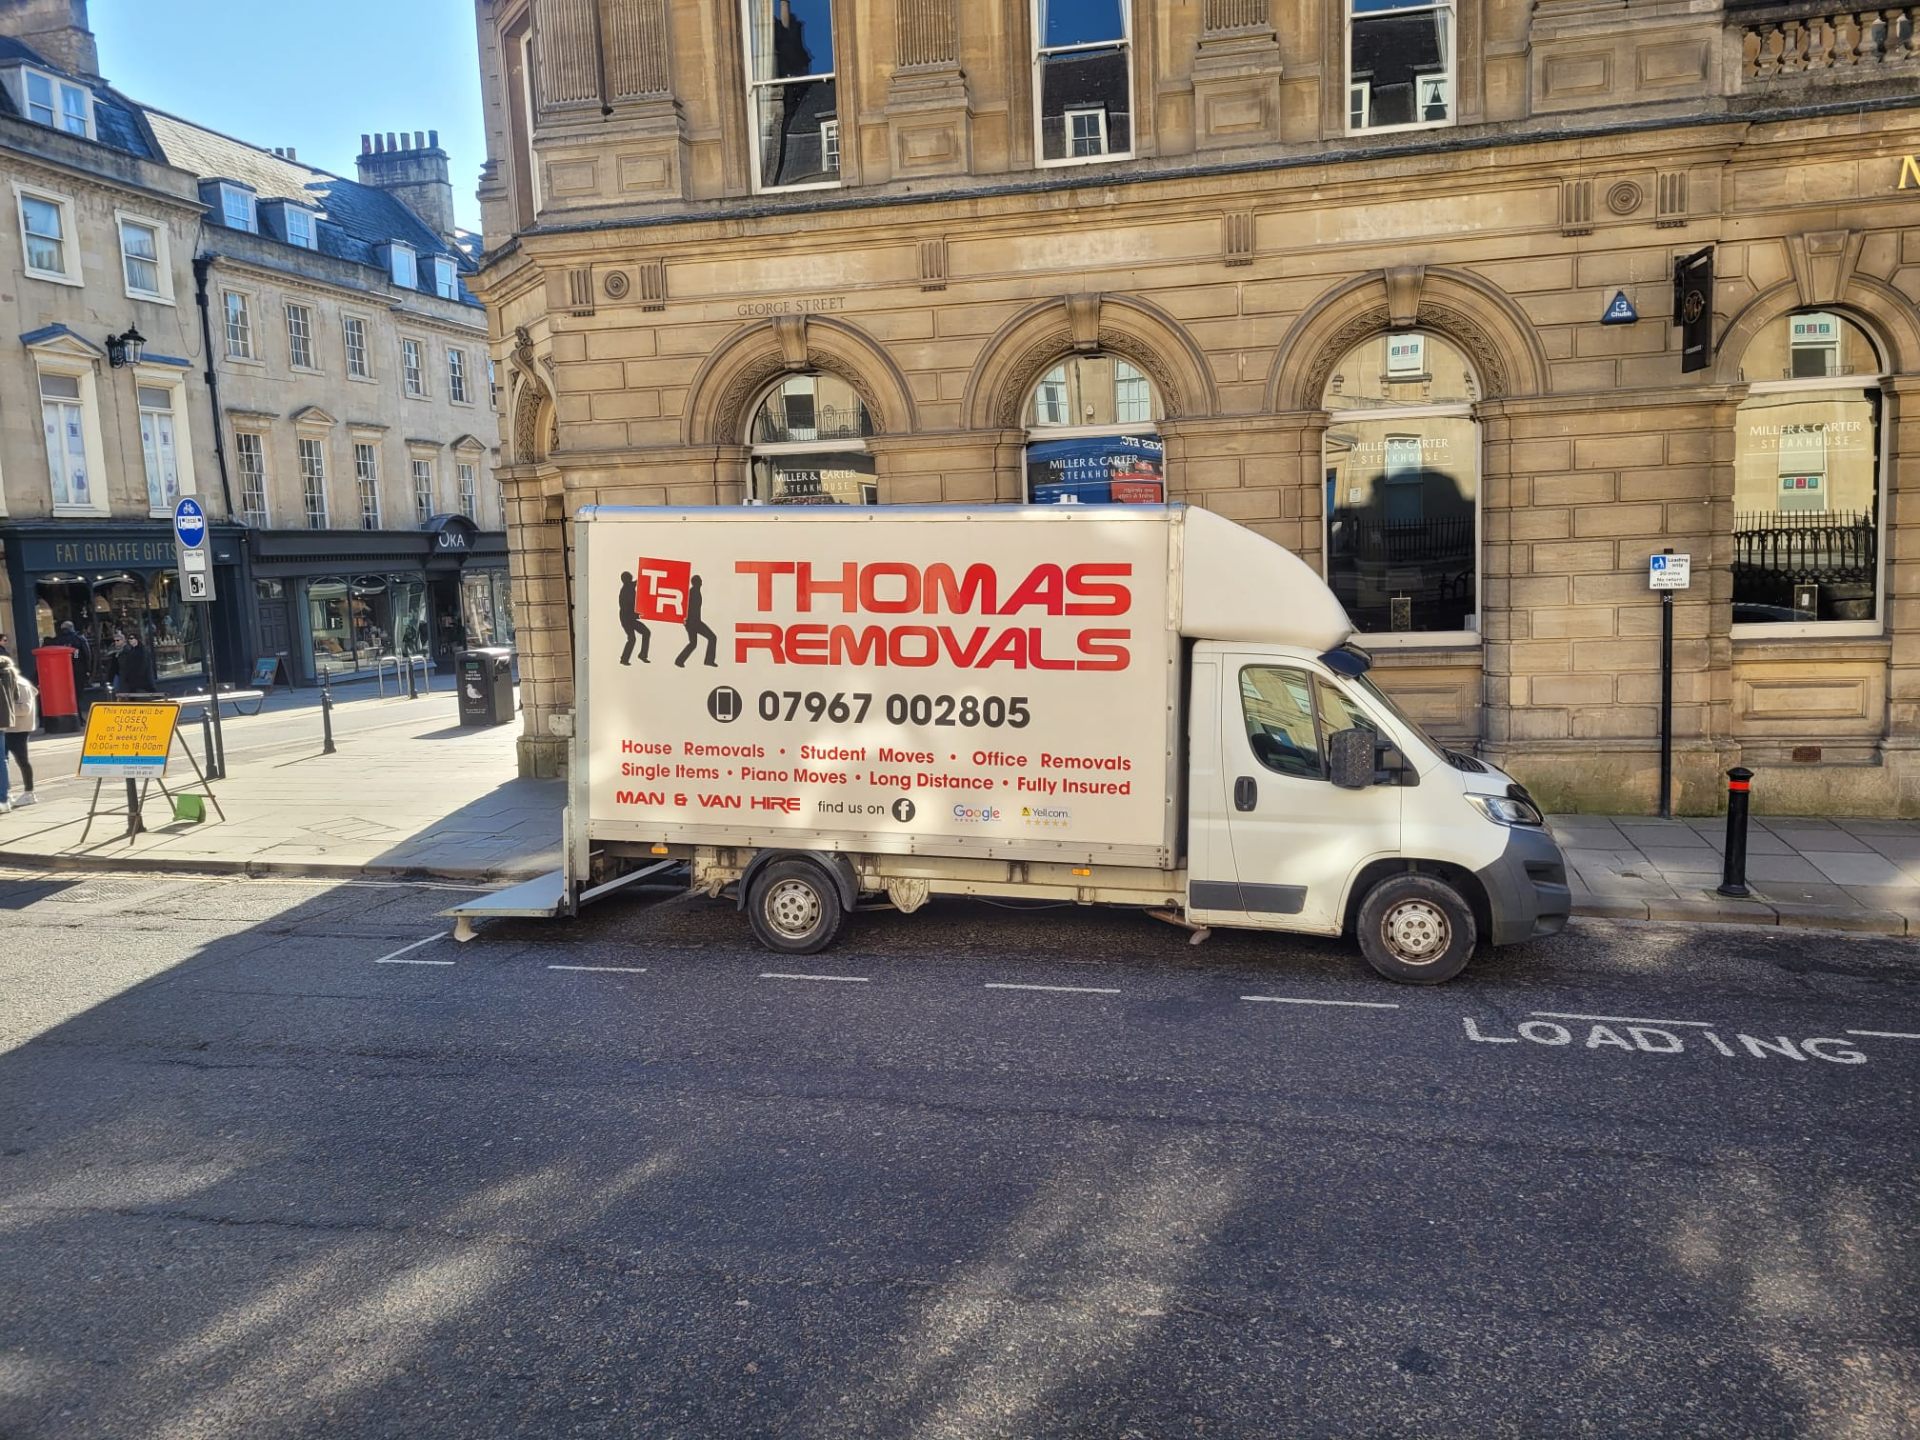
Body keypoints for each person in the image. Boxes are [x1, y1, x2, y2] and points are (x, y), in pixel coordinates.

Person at [0, 652, 35, 809]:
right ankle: (6, 791)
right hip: (9, 728)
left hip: (19, 729)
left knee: (22, 760)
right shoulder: (9, 682)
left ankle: (29, 792)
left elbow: (25, 709)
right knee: (5, 760)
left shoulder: (20, 684)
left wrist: (6, 709)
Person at [674, 573, 719, 668]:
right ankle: (708, 660)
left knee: (693, 643)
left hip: (692, 622)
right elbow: (689, 608)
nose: (702, 582)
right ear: (697, 583)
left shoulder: (694, 592)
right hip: (694, 622)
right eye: (700, 580)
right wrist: (688, 621)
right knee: (712, 637)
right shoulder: (694, 593)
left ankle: (679, 661)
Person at [110, 629, 158, 695]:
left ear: (136, 639)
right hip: (133, 681)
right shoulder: (131, 650)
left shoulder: (142, 650)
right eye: (129, 638)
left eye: (131, 638)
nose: (130, 640)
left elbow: (143, 665)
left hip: (143, 678)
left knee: (150, 694)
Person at [618, 571, 650, 666]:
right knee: (632, 638)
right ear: (627, 579)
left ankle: (642, 655)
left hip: (629, 617)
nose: (632, 577)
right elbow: (627, 608)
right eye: (630, 576)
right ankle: (625, 659)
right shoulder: (626, 590)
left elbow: (638, 581)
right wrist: (637, 615)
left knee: (645, 633)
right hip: (627, 618)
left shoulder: (629, 586)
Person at [57, 620, 92, 685]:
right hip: (78, 668)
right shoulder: (79, 638)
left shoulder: (58, 640)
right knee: (79, 688)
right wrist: (88, 669)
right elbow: (86, 654)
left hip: (63, 669)